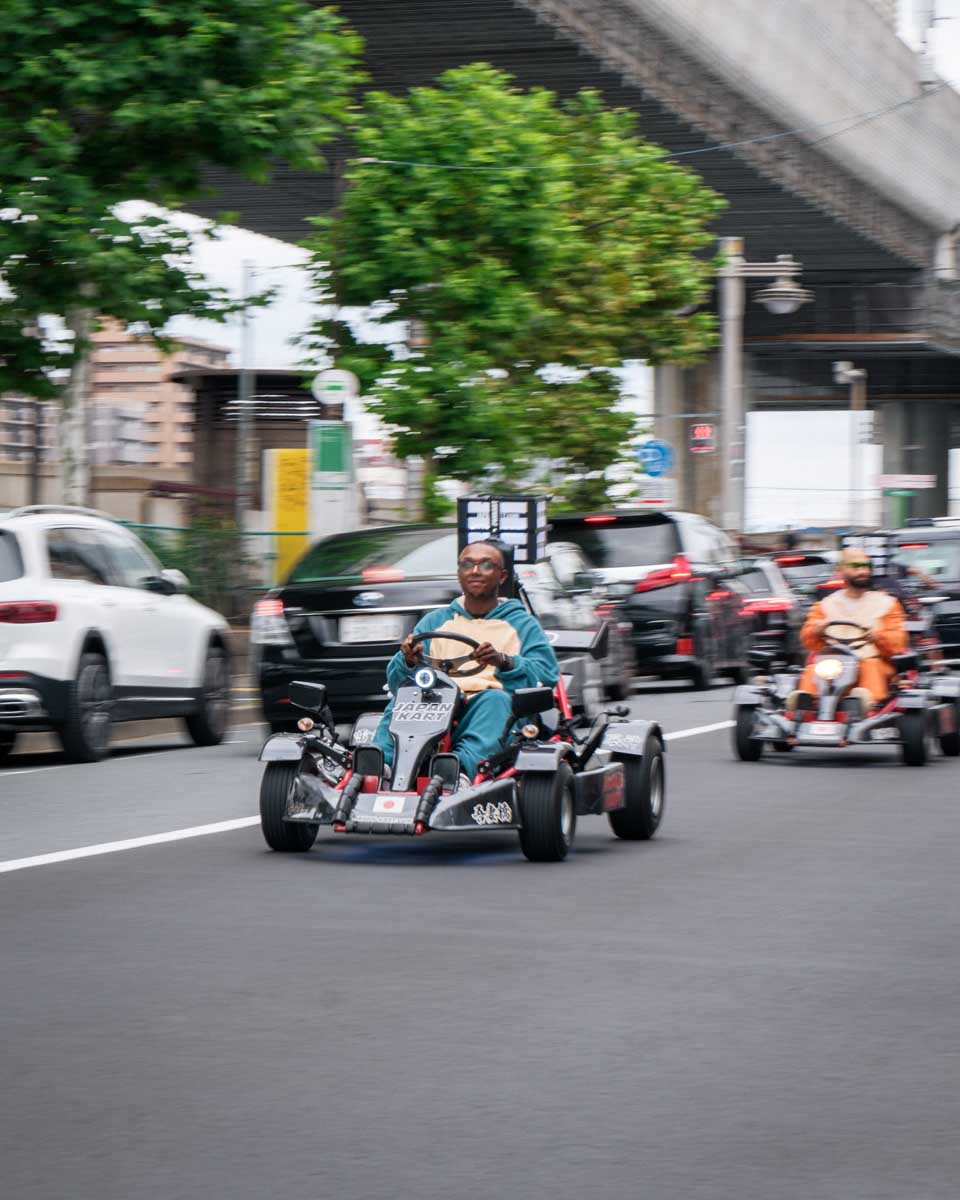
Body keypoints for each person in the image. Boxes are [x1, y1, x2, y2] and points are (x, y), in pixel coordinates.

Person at [372, 539, 560, 780]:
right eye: (467, 564)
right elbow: (398, 683)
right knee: (408, 697)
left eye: (485, 565)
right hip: (436, 704)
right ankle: (381, 766)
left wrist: (503, 661)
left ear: (502, 577)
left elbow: (547, 674)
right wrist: (408, 660)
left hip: (487, 707)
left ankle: (459, 770)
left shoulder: (522, 624)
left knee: (493, 699)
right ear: (459, 574)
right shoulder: (434, 621)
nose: (475, 571)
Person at [792, 545, 908, 713]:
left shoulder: (888, 604)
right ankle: (805, 706)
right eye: (855, 566)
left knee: (870, 666)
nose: (862, 571)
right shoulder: (825, 605)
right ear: (841, 571)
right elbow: (808, 639)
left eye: (866, 566)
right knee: (814, 668)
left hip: (872, 661)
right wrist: (817, 630)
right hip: (835, 662)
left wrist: (877, 636)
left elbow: (898, 642)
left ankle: (867, 704)